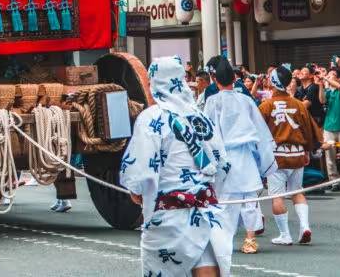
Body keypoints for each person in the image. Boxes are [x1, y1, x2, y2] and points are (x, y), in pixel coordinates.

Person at [120, 56, 231, 277]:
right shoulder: (200, 117)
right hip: (204, 209)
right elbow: (222, 163)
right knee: (204, 260)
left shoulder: (151, 118)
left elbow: (139, 171)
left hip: (168, 214)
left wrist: (137, 192)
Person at [204, 57, 277, 255]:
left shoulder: (212, 101)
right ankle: (250, 238)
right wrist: (263, 159)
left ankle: (225, 238)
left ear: (215, 79)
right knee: (249, 198)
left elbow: (209, 134)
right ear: (234, 78)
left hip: (224, 154)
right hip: (246, 155)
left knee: (226, 199)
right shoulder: (246, 100)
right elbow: (260, 132)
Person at [258, 65, 321, 246]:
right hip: (298, 154)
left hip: (277, 157)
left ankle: (285, 235)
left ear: (273, 82)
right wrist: (307, 151)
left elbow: (257, 133)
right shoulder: (299, 104)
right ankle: (305, 226)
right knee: (297, 191)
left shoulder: (265, 106)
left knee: (277, 196)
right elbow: (309, 131)